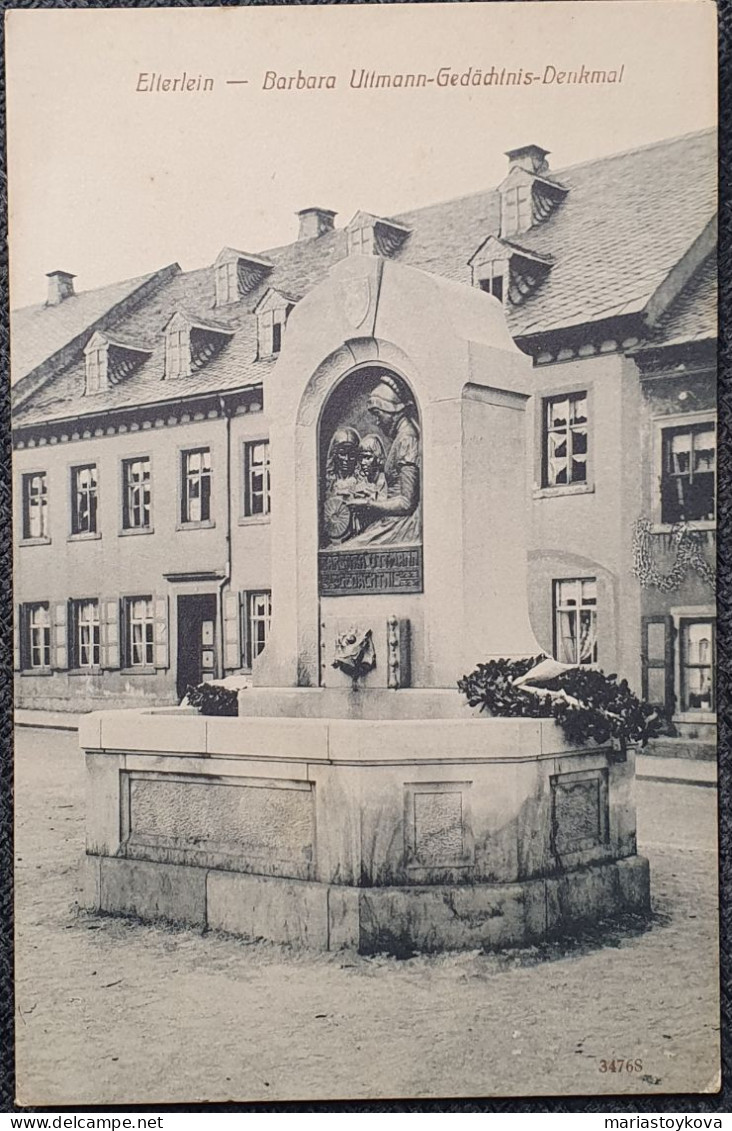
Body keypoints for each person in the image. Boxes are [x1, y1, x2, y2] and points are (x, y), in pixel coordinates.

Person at [345, 377, 421, 547]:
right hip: (391, 520)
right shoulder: (403, 437)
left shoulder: (406, 439)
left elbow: (406, 503)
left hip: (400, 524)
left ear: (391, 411)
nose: (377, 422)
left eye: (378, 415)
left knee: (349, 548)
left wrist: (368, 504)